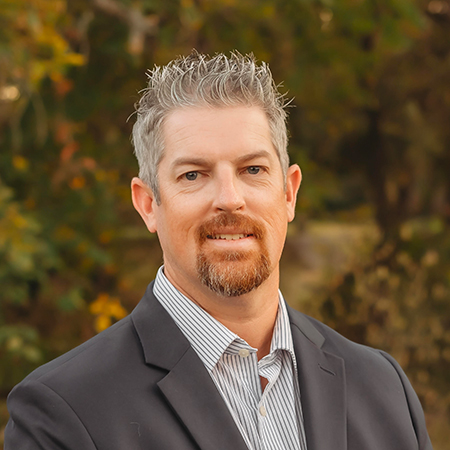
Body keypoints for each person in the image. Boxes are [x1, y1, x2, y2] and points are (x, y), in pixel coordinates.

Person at [5, 51, 432, 450]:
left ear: (289, 193)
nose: (229, 198)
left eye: (253, 169)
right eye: (193, 175)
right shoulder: (63, 411)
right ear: (149, 204)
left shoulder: (382, 385)